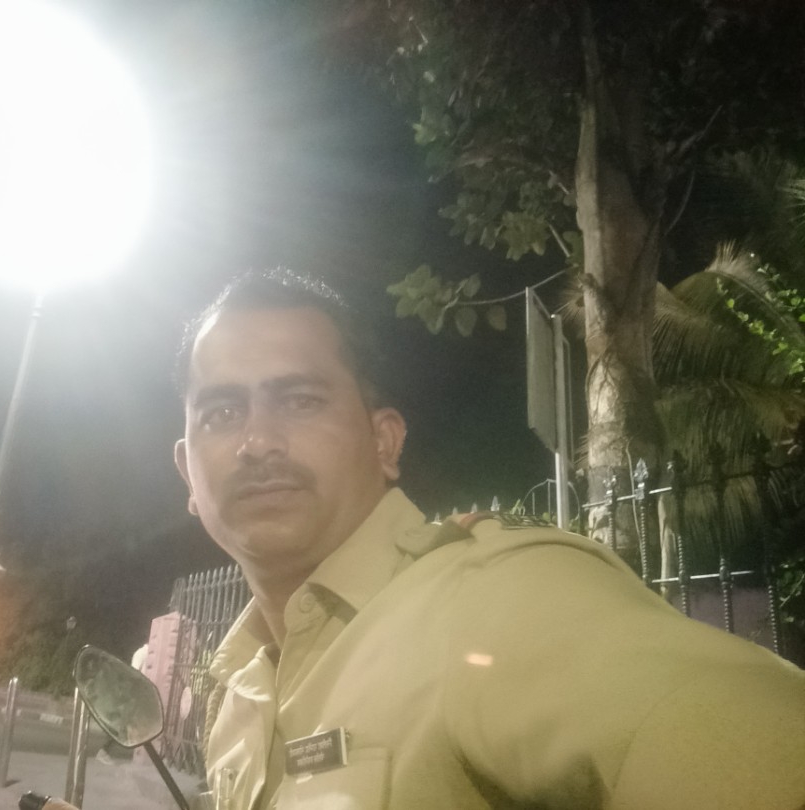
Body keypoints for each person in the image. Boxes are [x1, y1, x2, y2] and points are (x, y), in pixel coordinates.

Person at [172, 268, 805, 810]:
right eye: (221, 413)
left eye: (301, 400)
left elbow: (724, 725)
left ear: (384, 441)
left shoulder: (489, 598)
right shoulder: (239, 694)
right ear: (188, 476)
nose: (257, 442)